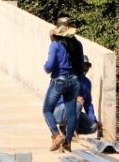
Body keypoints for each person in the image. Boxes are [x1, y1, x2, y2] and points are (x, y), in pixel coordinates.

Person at [42, 17, 85, 152]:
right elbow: (81, 67)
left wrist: (46, 67)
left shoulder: (55, 45)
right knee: (71, 113)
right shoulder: (78, 45)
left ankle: (56, 135)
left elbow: (49, 66)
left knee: (47, 110)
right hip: (74, 80)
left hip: (59, 80)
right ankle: (68, 142)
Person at [55, 55, 98, 136]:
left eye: (87, 66)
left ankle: (67, 131)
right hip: (59, 111)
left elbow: (88, 104)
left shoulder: (87, 83)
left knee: (93, 126)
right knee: (77, 104)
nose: (85, 68)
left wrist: (94, 120)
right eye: (82, 65)